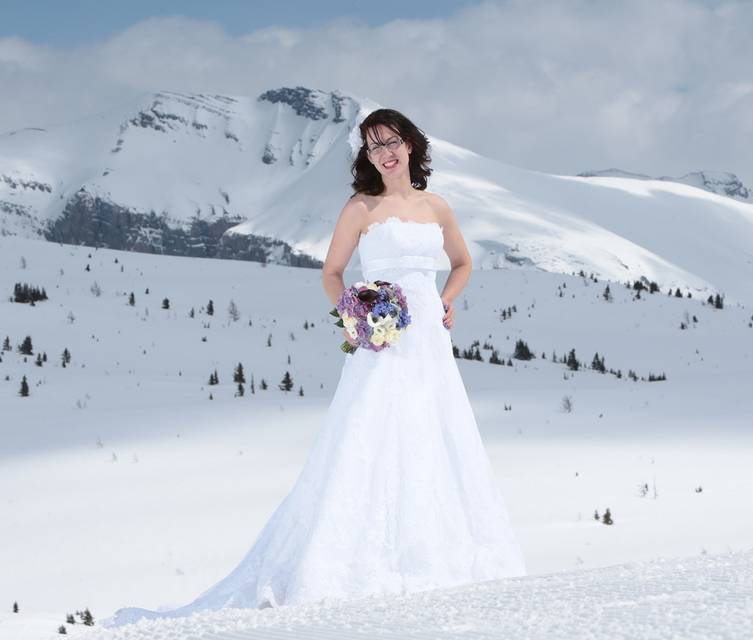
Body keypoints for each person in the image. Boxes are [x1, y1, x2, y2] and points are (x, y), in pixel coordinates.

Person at [100, 108, 527, 627]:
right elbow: (332, 273)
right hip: (382, 341)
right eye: (374, 145)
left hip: (429, 344)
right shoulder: (360, 208)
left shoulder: (438, 207)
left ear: (411, 144)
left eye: (392, 140)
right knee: (367, 435)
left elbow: (462, 263)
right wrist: (358, 314)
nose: (386, 151)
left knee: (434, 432)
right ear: (366, 157)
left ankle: (442, 554)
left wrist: (445, 301)